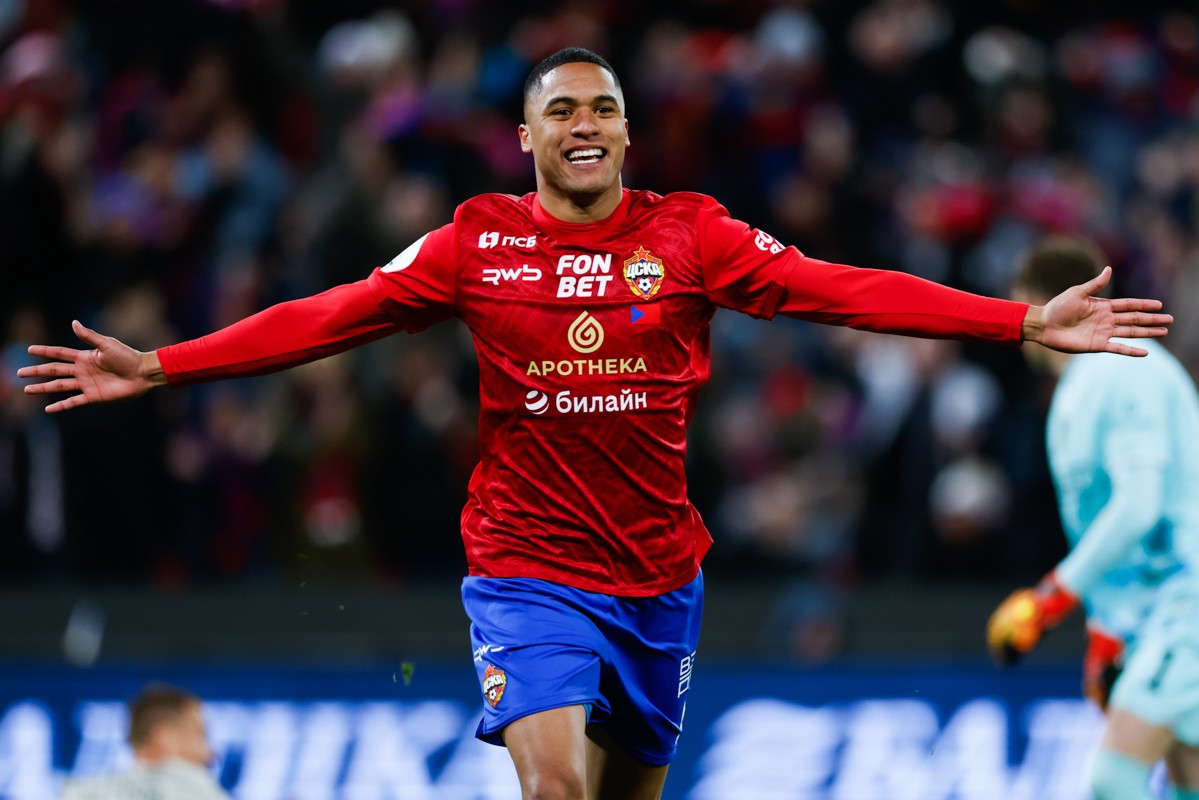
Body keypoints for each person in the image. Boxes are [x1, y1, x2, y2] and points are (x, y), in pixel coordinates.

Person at [21, 49, 1173, 800]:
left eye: (604, 109)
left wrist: (1019, 318)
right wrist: (165, 364)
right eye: (561, 109)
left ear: (627, 135)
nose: (585, 123)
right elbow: (333, 313)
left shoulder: (692, 235)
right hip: (524, 567)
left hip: (657, 574)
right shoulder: (475, 242)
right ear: (525, 137)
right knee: (553, 786)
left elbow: (842, 288)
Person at [986, 236, 1199, 800]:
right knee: (1188, 784)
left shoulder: (1122, 367)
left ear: (1035, 297)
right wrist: (1108, 630)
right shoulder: (1085, 382)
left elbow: (1140, 504)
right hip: (1157, 614)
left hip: (1187, 607)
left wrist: (1051, 596)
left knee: (1113, 778)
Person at [58, 684, 230, 800]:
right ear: (165, 738)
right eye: (200, 735)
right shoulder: (203, 793)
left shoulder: (80, 793)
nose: (211, 753)